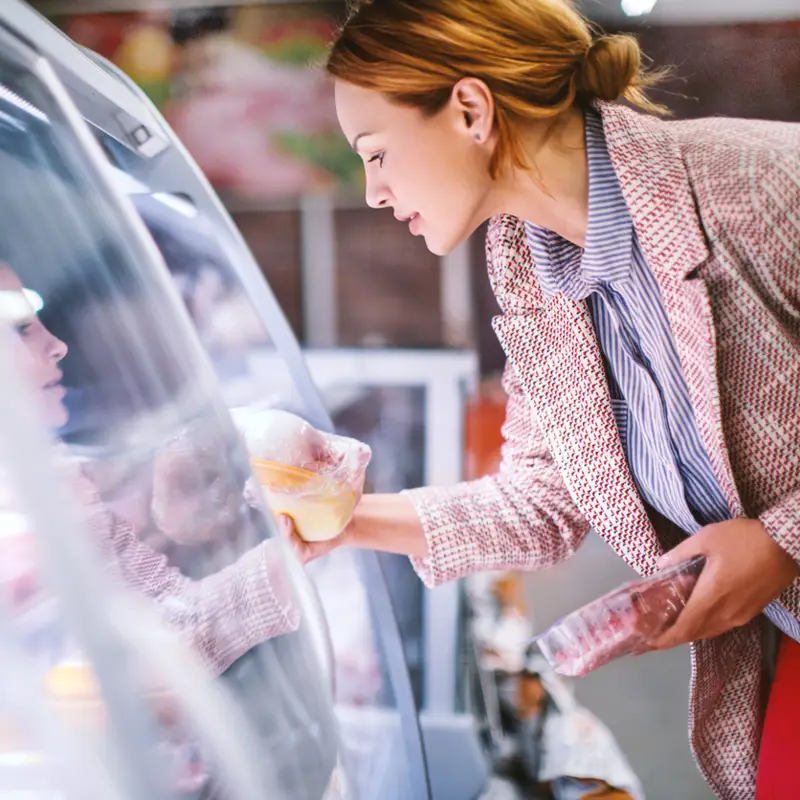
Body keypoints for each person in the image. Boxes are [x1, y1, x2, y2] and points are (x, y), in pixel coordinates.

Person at [278, 1, 800, 797]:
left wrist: (781, 539)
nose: (373, 191)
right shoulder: (527, 264)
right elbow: (547, 495)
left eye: (377, 152)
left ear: (470, 108)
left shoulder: (757, 182)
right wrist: (338, 519)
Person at [0, 264, 299, 675]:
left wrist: (297, 550)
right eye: (22, 329)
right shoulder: (24, 512)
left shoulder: (52, 483)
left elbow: (180, 629)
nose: (58, 346)